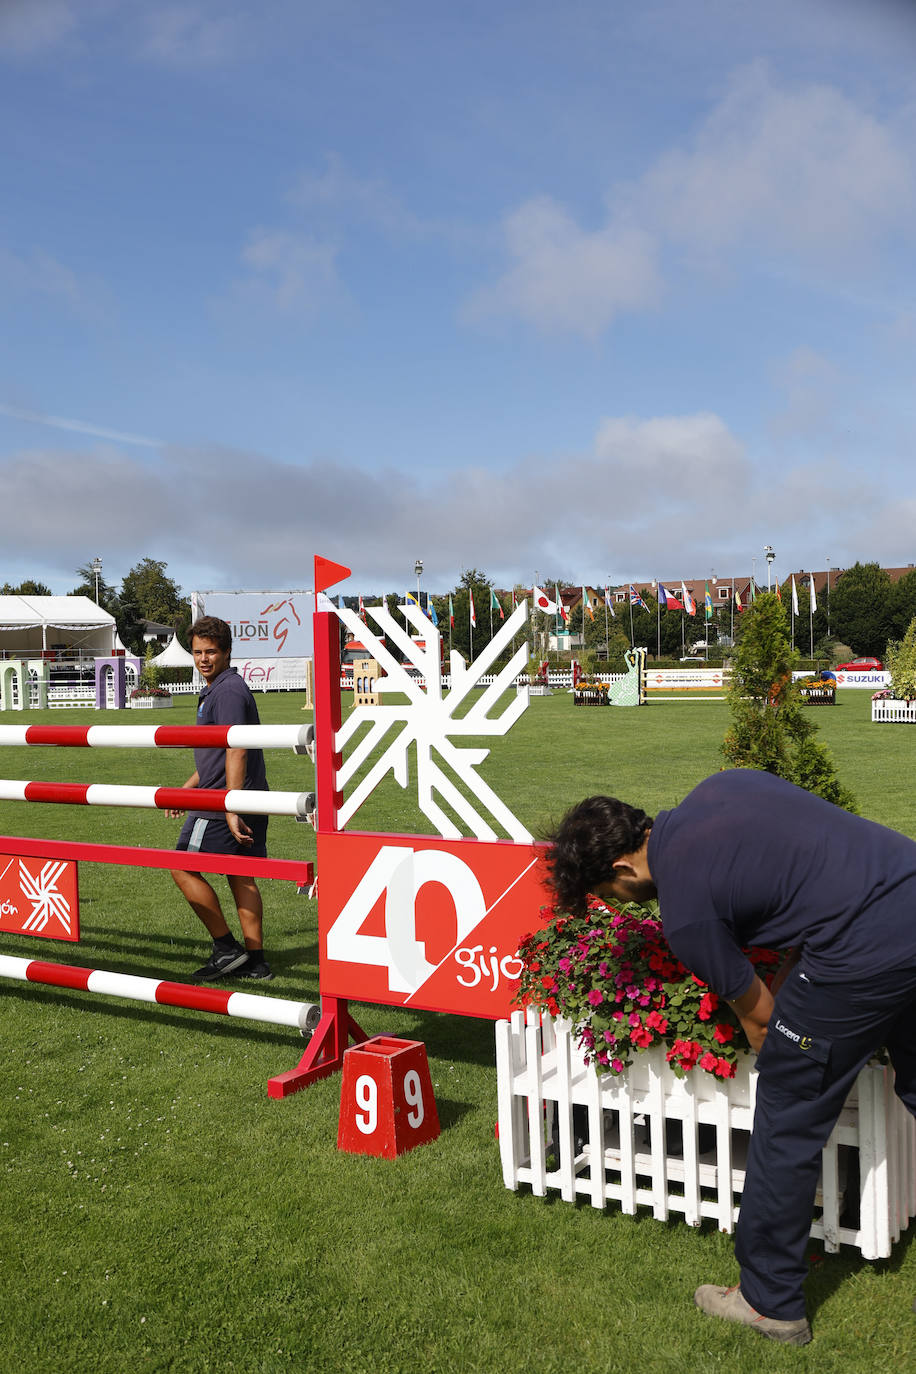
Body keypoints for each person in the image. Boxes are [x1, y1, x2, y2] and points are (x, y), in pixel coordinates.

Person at [547, 768, 916, 1346]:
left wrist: (788, 1044)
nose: (619, 907)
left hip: (861, 950)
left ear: (622, 869)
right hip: (907, 886)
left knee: (789, 1111)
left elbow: (763, 1018)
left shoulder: (686, 916)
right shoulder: (725, 786)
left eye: (607, 895)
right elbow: (811, 877)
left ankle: (769, 1301)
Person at [167, 616, 273, 981]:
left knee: (181, 865)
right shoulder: (222, 687)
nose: (203, 659)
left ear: (227, 651)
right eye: (197, 652)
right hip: (247, 796)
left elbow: (236, 748)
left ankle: (227, 949)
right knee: (241, 876)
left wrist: (230, 805)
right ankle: (256, 962)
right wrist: (188, 787)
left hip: (224, 801)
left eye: (211, 652)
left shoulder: (226, 691)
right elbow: (217, 753)